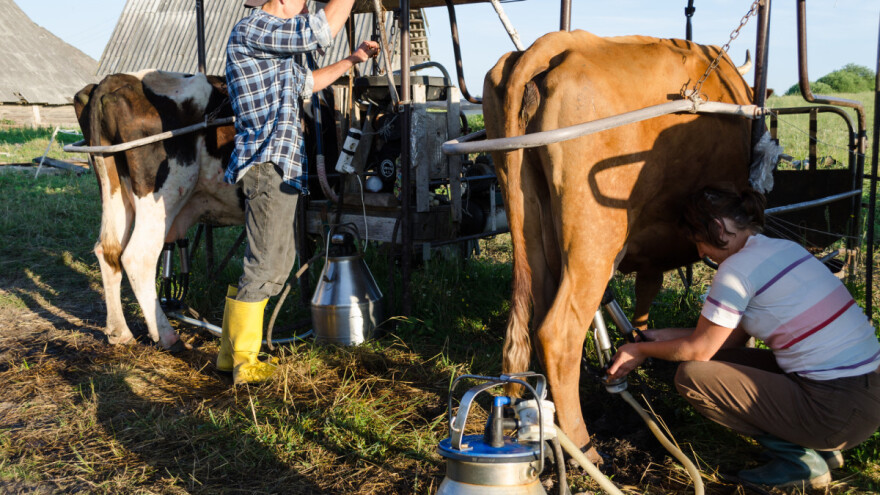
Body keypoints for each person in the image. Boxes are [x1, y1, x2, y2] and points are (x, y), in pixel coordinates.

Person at [607, 184, 880, 489]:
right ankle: (820, 448)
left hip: (834, 409)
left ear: (718, 228)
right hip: (865, 394)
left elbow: (698, 350)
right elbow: (726, 339)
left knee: (692, 376)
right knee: (720, 359)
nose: (700, 253)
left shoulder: (736, 271)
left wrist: (640, 352)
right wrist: (652, 337)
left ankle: (801, 461)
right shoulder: (782, 249)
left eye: (699, 242)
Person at [217, 0, 379, 385]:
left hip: (282, 166)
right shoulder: (254, 28)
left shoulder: (275, 45)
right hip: (267, 164)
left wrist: (352, 60)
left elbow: (308, 83)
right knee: (264, 264)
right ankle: (244, 362)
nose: (309, 7)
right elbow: (321, 30)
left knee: (276, 261)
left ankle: (230, 354)